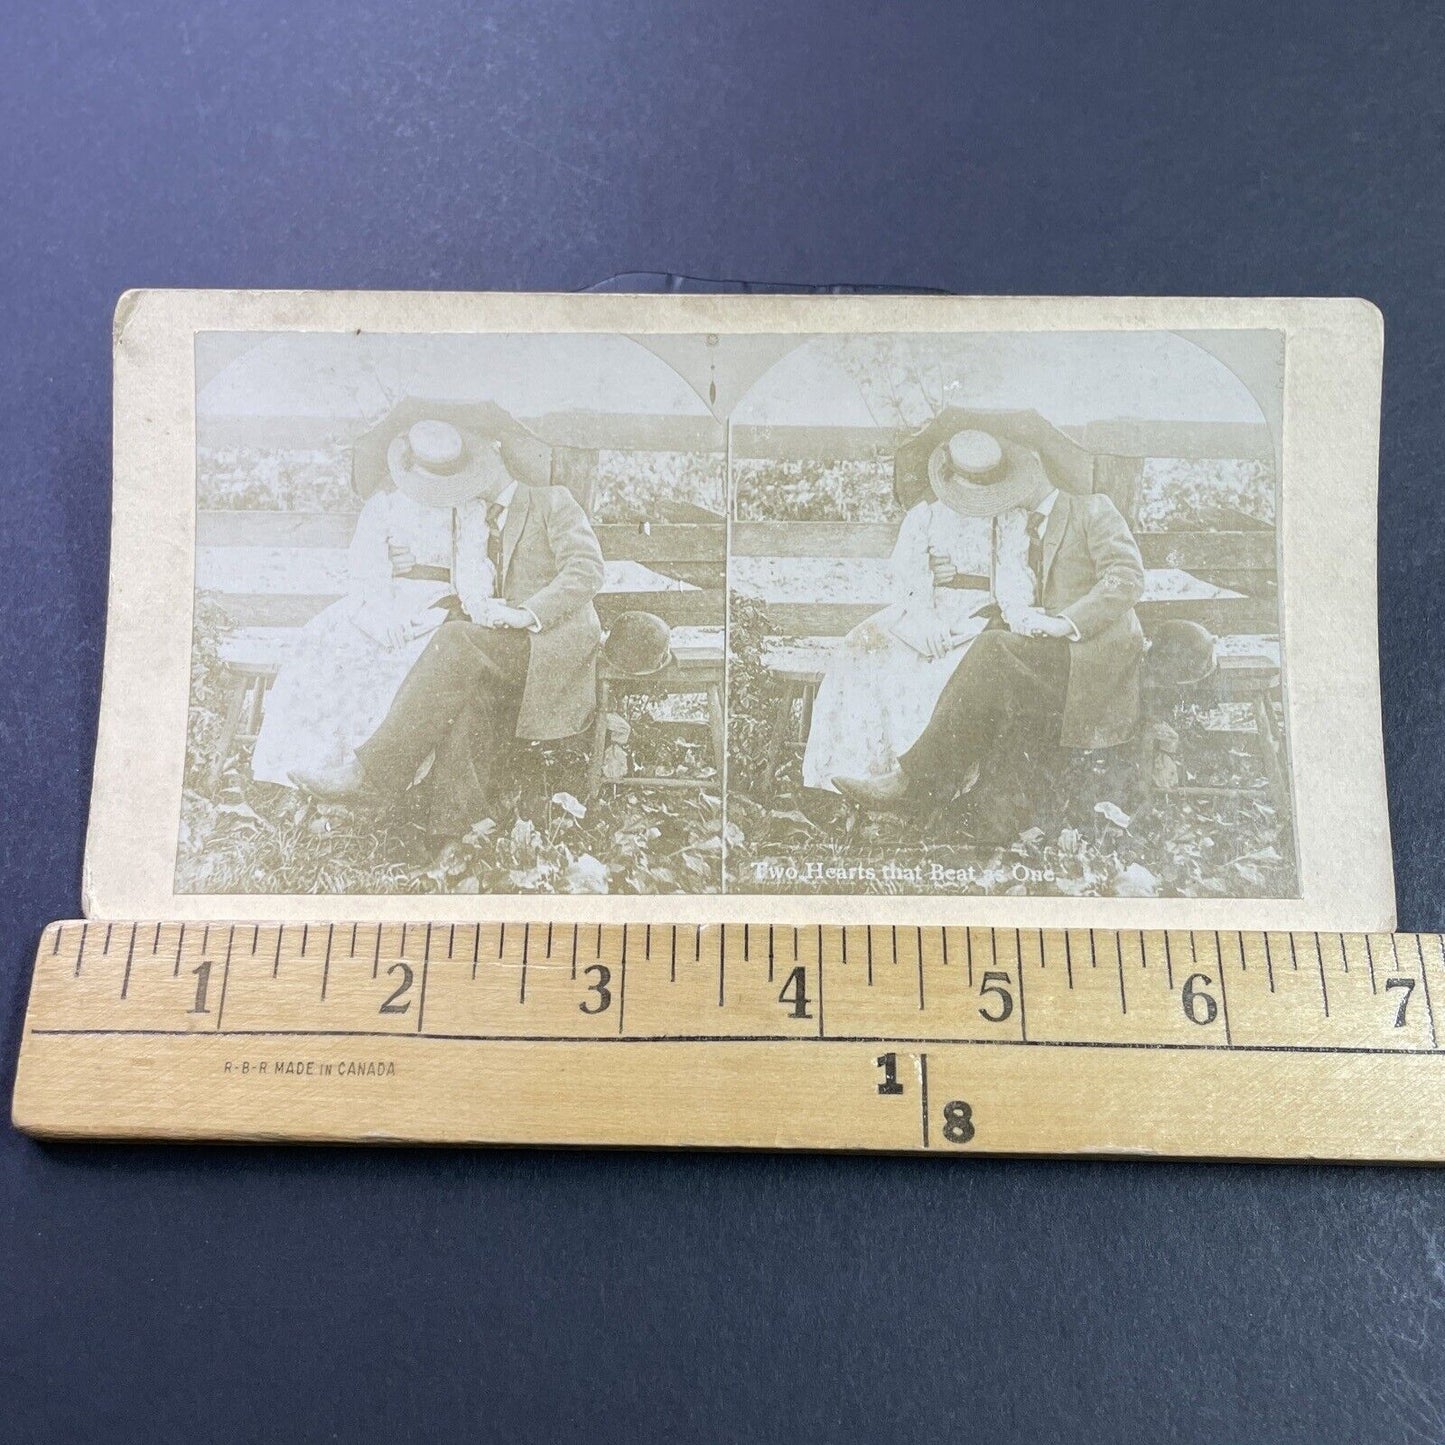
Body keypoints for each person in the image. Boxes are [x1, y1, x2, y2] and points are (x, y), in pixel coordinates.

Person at [290, 419, 605, 836]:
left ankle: (371, 775)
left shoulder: (551, 501)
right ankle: (454, 833)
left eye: (469, 466)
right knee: (465, 692)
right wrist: (396, 563)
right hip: (500, 645)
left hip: (548, 648)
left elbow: (586, 570)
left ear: (495, 455)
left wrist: (527, 613)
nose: (461, 479)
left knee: (454, 639)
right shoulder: (469, 515)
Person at [831, 426, 1145, 809]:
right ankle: (946, 793)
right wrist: (933, 573)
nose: (999, 487)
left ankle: (915, 784)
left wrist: (1065, 623)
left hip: (1086, 655)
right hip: (1037, 644)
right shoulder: (1010, 520)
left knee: (992, 648)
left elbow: (1126, 577)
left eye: (1009, 473)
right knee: (973, 647)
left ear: (1034, 466)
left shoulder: (1091, 508)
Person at [251, 418, 509, 790]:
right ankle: (315, 763)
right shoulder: (385, 503)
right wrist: (380, 614)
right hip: (382, 599)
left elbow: (472, 569)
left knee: (411, 661)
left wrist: (476, 604)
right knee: (327, 646)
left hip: (436, 605)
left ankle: (376, 777)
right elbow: (365, 566)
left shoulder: (467, 509)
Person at [800, 434, 1037, 791]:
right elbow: (907, 573)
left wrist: (1016, 614)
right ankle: (850, 774)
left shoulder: (1007, 520)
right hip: (923, 610)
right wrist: (925, 615)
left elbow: (1014, 583)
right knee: (861, 648)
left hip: (976, 615)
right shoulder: (925, 515)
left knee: (936, 671)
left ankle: (918, 784)